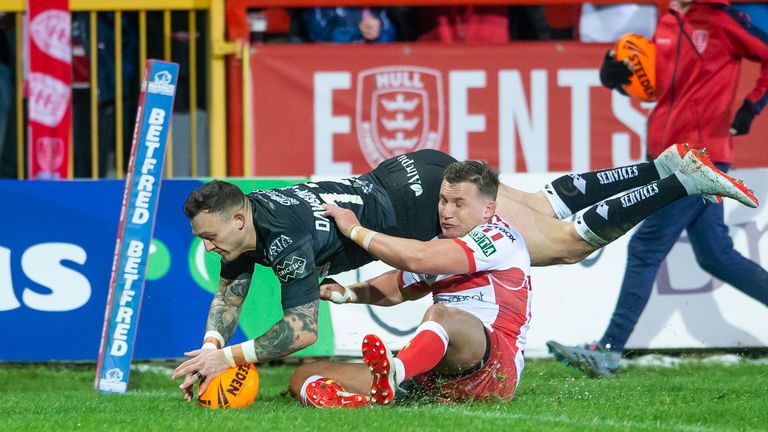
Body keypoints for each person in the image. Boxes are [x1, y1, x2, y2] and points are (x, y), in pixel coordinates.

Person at [171, 146, 756, 399]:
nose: (208, 248)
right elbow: (233, 284)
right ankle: (656, 167)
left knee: (560, 244)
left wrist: (233, 357)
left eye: (209, 238)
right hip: (411, 172)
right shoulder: (251, 219)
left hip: (416, 205)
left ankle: (677, 182)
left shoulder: (290, 238)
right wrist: (211, 343)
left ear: (239, 218)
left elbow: (299, 331)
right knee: (544, 205)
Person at [547, 0, 768, 378]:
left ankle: (609, 352)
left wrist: (752, 105)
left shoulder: (720, 19)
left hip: (699, 159)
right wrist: (617, 75)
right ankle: (609, 352)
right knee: (715, 256)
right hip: (668, 155)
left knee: (647, 246)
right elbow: (655, 86)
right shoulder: (666, 21)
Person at [289, 160, 531, 407]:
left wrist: (354, 230)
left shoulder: (500, 238)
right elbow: (398, 287)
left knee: (441, 314)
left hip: (496, 369)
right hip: (435, 370)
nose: (447, 212)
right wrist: (349, 293)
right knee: (304, 374)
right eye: (443, 200)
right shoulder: (442, 242)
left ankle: (395, 375)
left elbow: (419, 258)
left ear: (488, 210)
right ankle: (356, 399)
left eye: (459, 204)